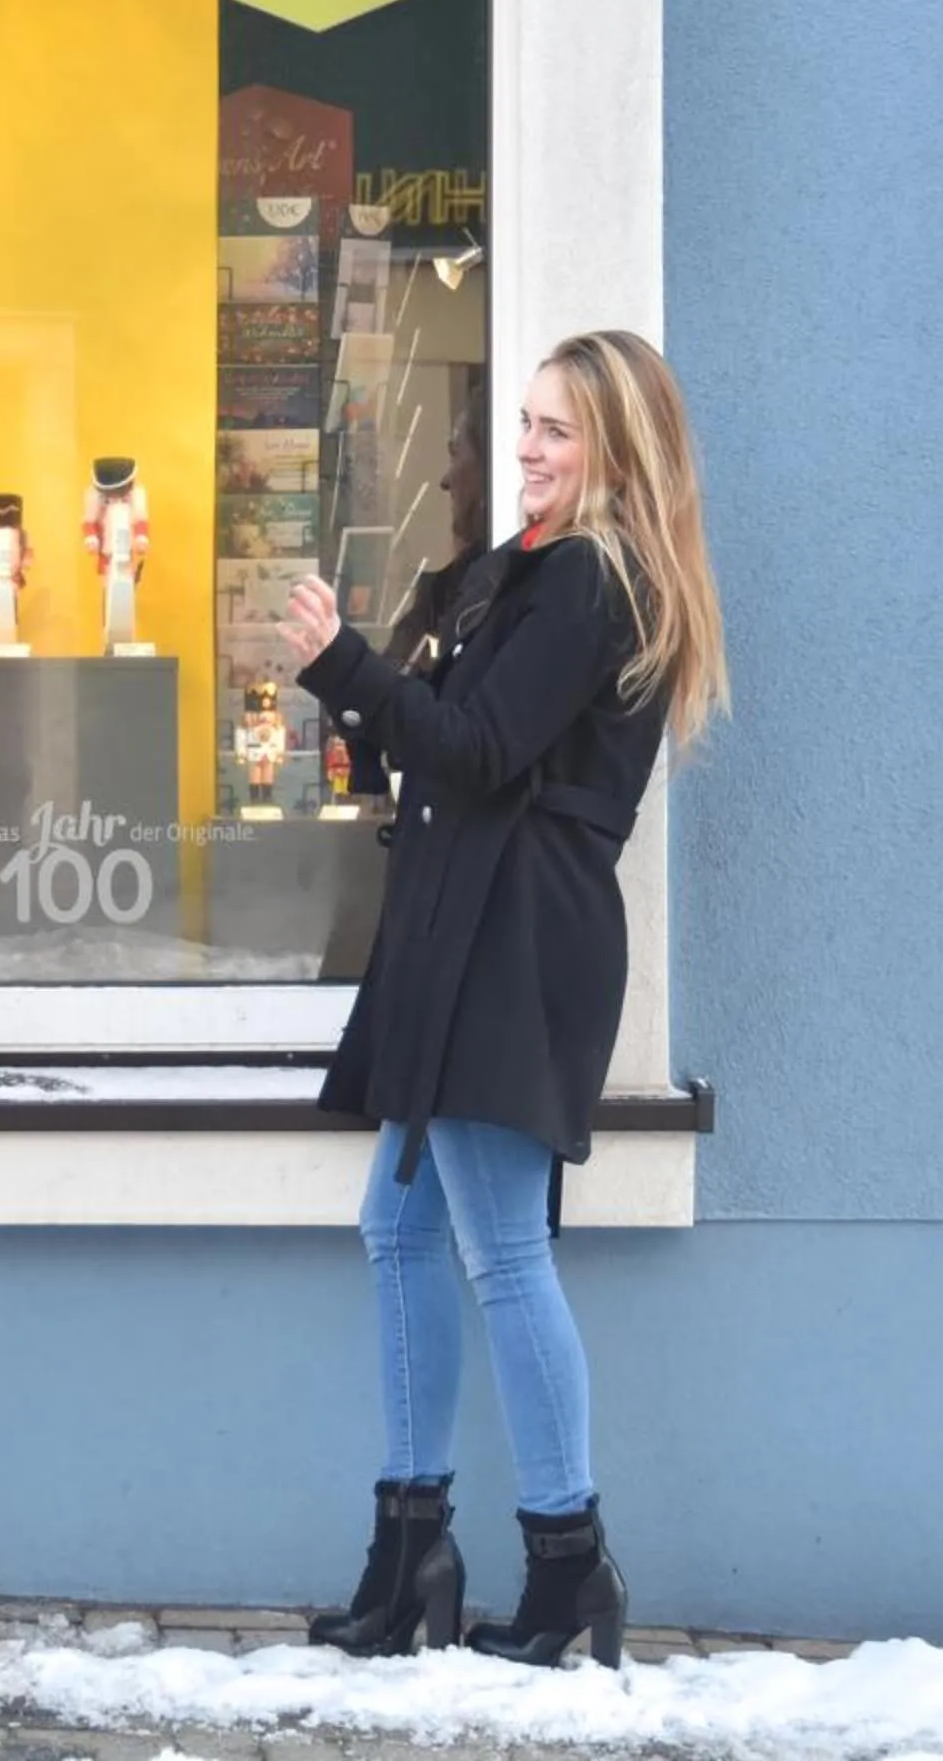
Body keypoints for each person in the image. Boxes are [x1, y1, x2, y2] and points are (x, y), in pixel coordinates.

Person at [280, 331, 728, 1669]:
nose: (527, 449)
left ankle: (566, 1568)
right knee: (402, 1230)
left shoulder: (590, 580)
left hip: (513, 936)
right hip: (467, 922)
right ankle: (413, 1553)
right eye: (523, 423)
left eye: (558, 431)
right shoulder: (533, 576)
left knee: (500, 1248)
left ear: (618, 456)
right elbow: (450, 743)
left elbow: (477, 753)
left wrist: (353, 669)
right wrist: (368, 692)